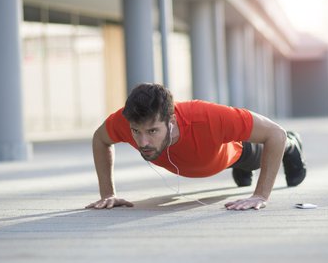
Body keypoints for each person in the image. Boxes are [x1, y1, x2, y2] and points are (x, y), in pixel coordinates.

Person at [86, 83, 306, 211]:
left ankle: (293, 144)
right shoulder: (127, 121)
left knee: (267, 149)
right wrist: (108, 194)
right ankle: (242, 171)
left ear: (170, 122)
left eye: (152, 131)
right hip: (203, 159)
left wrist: (260, 195)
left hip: (233, 153)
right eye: (136, 132)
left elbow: (274, 133)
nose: (142, 142)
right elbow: (100, 139)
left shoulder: (208, 117)